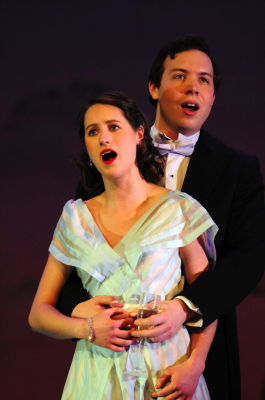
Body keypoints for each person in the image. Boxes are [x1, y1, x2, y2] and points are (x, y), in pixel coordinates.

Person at [57, 36, 265, 400]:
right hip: (111, 353)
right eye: (180, 76)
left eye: (205, 80)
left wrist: (185, 309)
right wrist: (84, 311)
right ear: (153, 87)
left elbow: (247, 261)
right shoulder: (112, 154)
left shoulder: (238, 169)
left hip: (198, 352)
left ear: (214, 96)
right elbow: (78, 253)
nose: (193, 88)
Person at [29, 91, 218, 399]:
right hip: (96, 374)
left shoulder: (176, 208)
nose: (104, 138)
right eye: (93, 132)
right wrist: (87, 328)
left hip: (167, 370)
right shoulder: (76, 218)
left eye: (113, 127)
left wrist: (195, 365)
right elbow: (39, 314)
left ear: (139, 134)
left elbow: (210, 296)